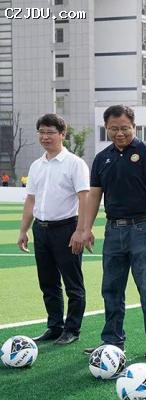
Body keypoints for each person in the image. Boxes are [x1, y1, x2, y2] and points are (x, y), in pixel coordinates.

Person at [74, 105, 146, 358]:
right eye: (113, 128)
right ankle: (113, 340)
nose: (119, 133)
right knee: (111, 288)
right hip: (113, 230)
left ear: (134, 126)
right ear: (106, 128)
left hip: (142, 228)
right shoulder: (102, 158)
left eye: (125, 128)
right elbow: (94, 196)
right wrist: (85, 228)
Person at [17, 113, 90, 345]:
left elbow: (85, 198)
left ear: (62, 134)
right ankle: (55, 326)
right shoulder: (36, 165)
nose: (45, 137)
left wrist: (81, 231)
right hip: (41, 229)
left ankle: (72, 329)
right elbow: (31, 200)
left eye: (50, 132)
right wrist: (23, 230)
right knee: (48, 282)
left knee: (73, 284)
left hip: (66, 229)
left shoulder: (75, 164)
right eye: (41, 132)